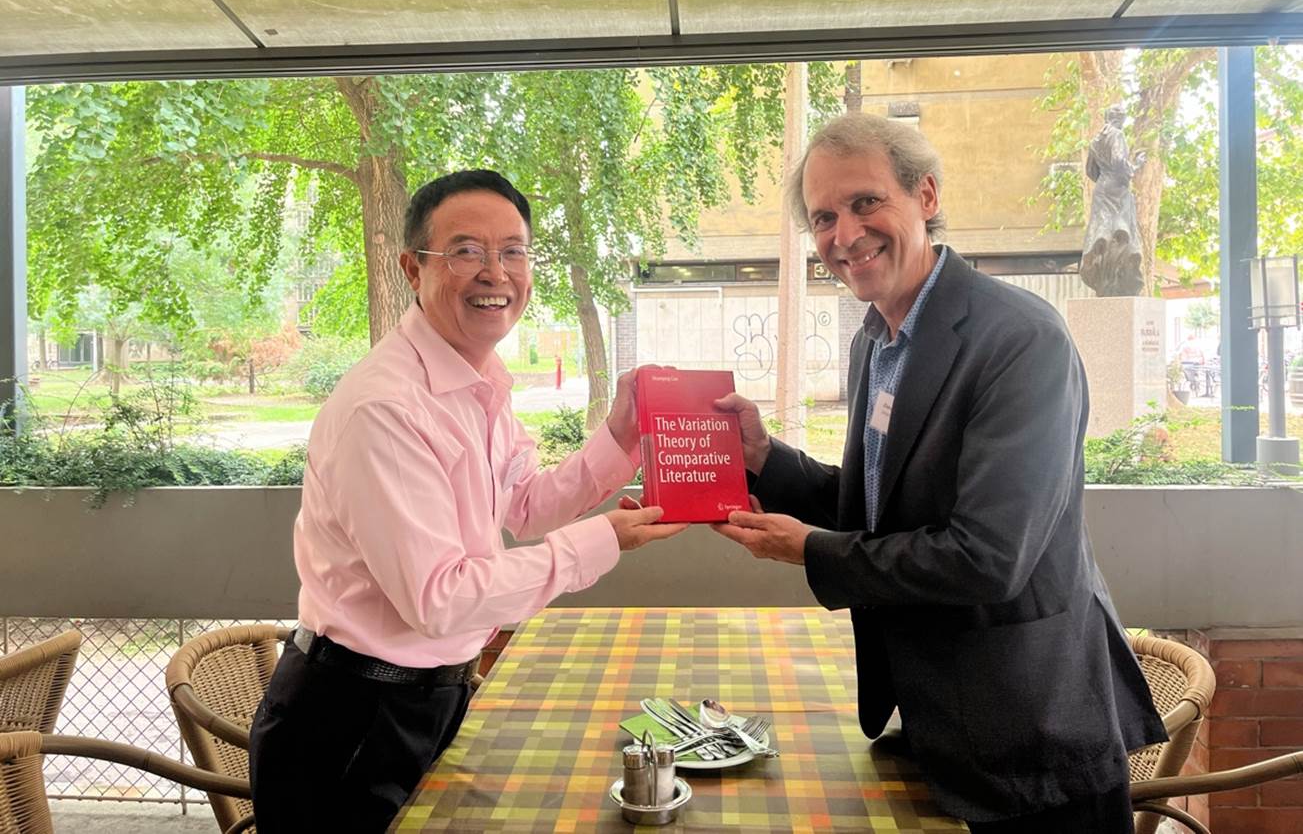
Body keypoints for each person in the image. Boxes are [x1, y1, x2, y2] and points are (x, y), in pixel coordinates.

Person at [710, 114, 1165, 832]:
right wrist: (764, 456)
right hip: (930, 721)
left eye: (865, 202)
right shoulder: (875, 340)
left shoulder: (1020, 339)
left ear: (924, 195)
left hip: (1027, 742)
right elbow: (881, 507)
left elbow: (987, 558)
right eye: (823, 217)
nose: (844, 234)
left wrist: (809, 549)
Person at [248, 169, 686, 833]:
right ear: (412, 268)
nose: (495, 273)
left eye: (513, 251)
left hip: (430, 695)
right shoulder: (386, 407)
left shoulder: (476, 381)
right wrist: (604, 540)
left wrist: (621, 436)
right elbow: (439, 598)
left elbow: (526, 504)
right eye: (465, 251)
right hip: (351, 720)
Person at [1081, 104, 1146, 296]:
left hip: (1102, 187)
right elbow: (1118, 162)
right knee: (1121, 233)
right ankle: (1117, 277)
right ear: (1121, 119)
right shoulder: (1117, 135)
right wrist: (1136, 166)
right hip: (1117, 189)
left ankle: (1107, 277)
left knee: (1105, 229)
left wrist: (1104, 177)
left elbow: (1090, 170)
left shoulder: (1096, 140)